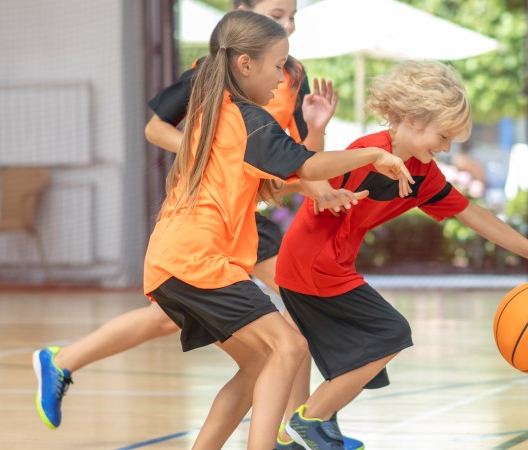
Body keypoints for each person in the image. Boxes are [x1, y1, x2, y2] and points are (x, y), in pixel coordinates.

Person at [35, 10, 413, 449]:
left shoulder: (216, 115)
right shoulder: (247, 120)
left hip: (178, 261)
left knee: (258, 364)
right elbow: (307, 164)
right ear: (244, 64)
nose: (280, 78)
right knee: (288, 345)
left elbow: (293, 173)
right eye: (276, 66)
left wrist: (320, 164)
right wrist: (370, 156)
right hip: (199, 261)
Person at [274, 61, 528, 450]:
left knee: (306, 338)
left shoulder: (422, 174)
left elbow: (471, 212)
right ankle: (311, 420)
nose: (447, 147)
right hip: (314, 261)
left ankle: (289, 437)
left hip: (317, 261)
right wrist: (316, 131)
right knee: (390, 333)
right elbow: (311, 174)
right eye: (444, 135)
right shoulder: (368, 152)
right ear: (413, 119)